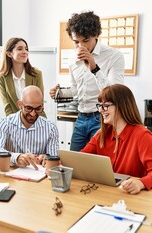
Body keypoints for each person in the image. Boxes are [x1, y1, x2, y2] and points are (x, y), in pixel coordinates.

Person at [49, 11, 125, 151]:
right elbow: (75, 89)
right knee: (74, 163)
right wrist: (59, 93)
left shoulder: (114, 56)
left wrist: (94, 67)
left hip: (102, 118)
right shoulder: (72, 58)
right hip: (81, 118)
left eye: (85, 41)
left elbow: (116, 93)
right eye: (76, 42)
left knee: (99, 164)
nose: (80, 47)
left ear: (96, 35)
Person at [81, 84, 152, 194]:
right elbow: (80, 159)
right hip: (107, 195)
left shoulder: (142, 135)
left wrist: (140, 183)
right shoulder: (101, 134)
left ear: (121, 106)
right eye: (99, 105)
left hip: (132, 198)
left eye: (105, 105)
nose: (100, 110)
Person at [0, 86, 59, 169]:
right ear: (20, 105)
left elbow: (54, 155)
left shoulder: (51, 128)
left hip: (39, 177)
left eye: (38, 109)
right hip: (12, 175)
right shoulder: (4, 123)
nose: (33, 114)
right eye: (29, 108)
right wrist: (16, 158)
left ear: (42, 105)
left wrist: (47, 157)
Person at [0, 37, 46, 117]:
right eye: (20, 49)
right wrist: (16, 123)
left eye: (26, 49)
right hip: (13, 121)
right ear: (9, 54)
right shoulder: (2, 77)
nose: (25, 52)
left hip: (36, 119)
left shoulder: (37, 74)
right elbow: (7, 106)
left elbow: (39, 103)